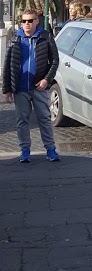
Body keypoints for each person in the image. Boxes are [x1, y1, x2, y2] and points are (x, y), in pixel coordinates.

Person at [2, 10, 61, 163]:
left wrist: (46, 80)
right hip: (20, 88)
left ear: (36, 21)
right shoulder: (15, 38)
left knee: (44, 118)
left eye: (30, 21)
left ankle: (50, 149)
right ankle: (25, 150)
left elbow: (55, 60)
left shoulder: (45, 37)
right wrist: (7, 89)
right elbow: (7, 64)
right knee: (22, 120)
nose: (26, 24)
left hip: (39, 86)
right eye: (24, 21)